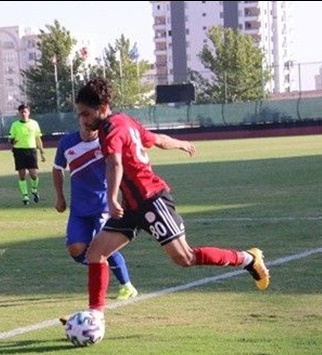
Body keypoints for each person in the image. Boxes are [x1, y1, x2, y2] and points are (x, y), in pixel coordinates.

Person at [74, 77, 270, 318]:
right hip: (132, 207)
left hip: (151, 200)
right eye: (80, 115)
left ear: (102, 109)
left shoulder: (111, 129)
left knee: (185, 257)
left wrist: (112, 198)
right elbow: (156, 140)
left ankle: (249, 259)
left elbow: (114, 164)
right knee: (96, 252)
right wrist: (181, 143)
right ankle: (95, 316)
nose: (82, 120)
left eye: (85, 114)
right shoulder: (125, 121)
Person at [53, 125, 138, 301]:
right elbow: (57, 169)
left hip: (103, 205)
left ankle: (126, 285)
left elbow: (119, 166)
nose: (86, 124)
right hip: (79, 208)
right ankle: (100, 265)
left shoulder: (106, 142)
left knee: (104, 246)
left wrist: (121, 197)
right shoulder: (67, 142)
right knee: (75, 249)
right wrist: (59, 197)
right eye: (82, 118)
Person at [8, 104, 46, 205]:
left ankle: (34, 190)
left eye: (25, 112)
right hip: (19, 151)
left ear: (28, 113)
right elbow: (10, 139)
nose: (23, 114)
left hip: (31, 150)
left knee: (33, 174)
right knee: (22, 174)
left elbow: (38, 138)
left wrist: (42, 152)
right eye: (21, 112)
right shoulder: (15, 125)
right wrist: (12, 141)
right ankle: (25, 196)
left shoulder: (34, 124)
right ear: (19, 113)